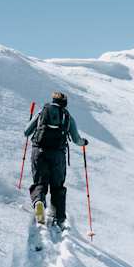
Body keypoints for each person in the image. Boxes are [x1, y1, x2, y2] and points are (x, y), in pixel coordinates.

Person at [24, 91, 88, 226]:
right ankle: (58, 218)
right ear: (64, 103)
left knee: (40, 183)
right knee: (57, 186)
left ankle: (39, 203)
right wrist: (84, 142)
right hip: (58, 155)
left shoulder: (42, 112)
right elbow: (76, 139)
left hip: (39, 152)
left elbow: (26, 132)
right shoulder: (68, 117)